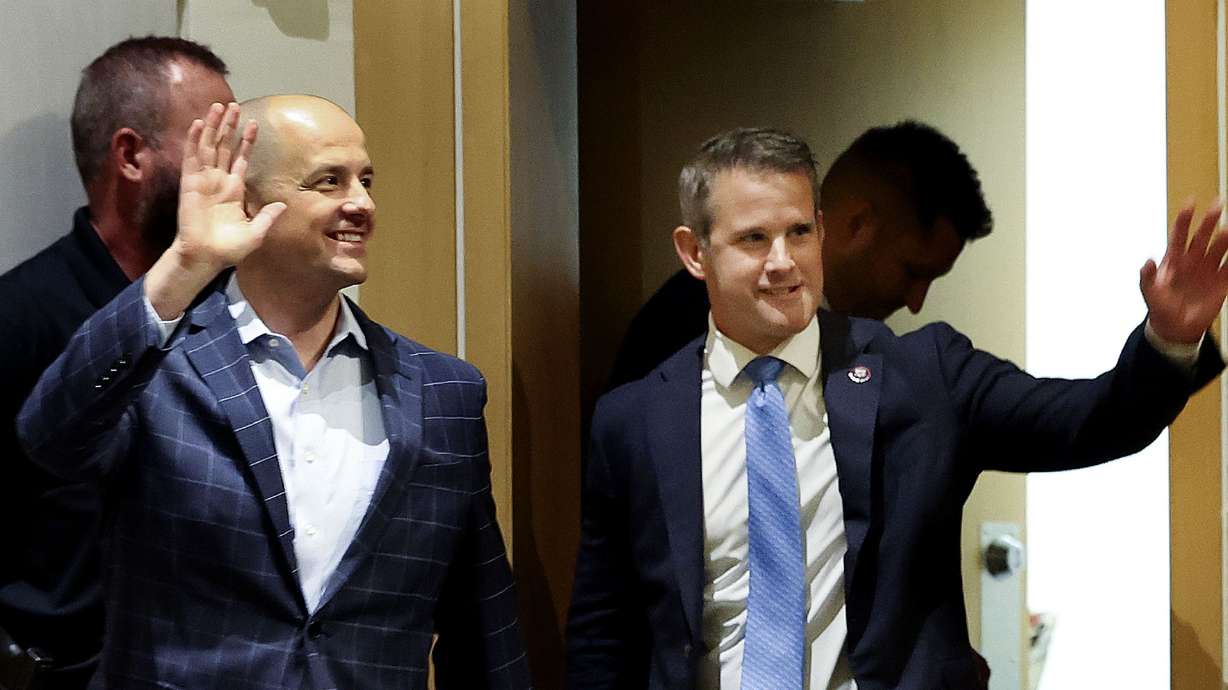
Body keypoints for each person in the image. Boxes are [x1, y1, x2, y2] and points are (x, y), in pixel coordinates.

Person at [566, 127, 1226, 689]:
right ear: (694, 252)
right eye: (753, 239)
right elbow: (604, 631)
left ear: (824, 231)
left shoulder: (924, 375)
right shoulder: (633, 420)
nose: (783, 262)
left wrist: (1170, 337)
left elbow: (1091, 420)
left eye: (799, 232)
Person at [17, 97, 530, 689]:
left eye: (366, 180)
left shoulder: (445, 391)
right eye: (329, 182)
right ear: (247, 202)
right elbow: (48, 437)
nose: (361, 203)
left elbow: (483, 624)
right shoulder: (155, 365)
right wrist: (183, 265)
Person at [0, 36, 233, 689]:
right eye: (211, 141)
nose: (233, 168)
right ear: (131, 155)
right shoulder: (20, 316)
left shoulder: (236, 306)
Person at [606, 120, 990, 389]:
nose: (916, 301)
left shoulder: (877, 361)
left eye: (800, 232)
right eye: (911, 271)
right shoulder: (686, 326)